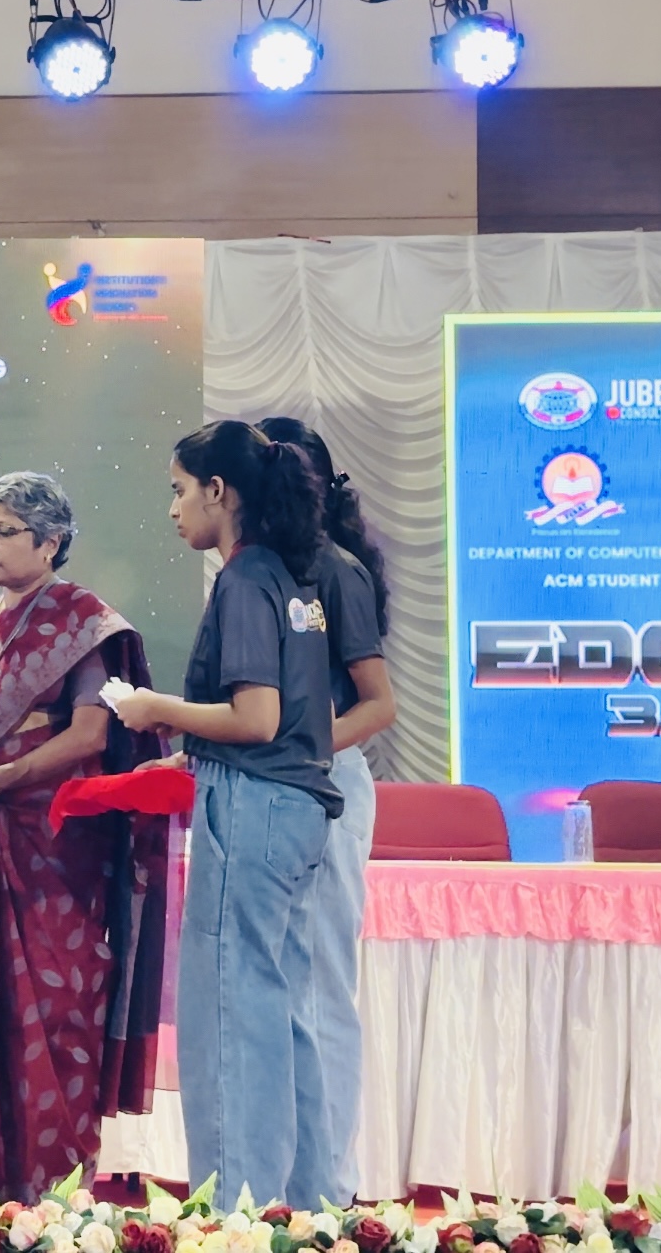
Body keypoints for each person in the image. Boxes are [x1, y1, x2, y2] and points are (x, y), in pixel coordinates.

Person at [0, 471, 171, 1204]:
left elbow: (91, 734)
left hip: (51, 851)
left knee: (56, 1015)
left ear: (51, 542)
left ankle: (50, 1201)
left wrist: (4, 778)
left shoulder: (85, 623)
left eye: (5, 532)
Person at [112, 419, 342, 1209]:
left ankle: (233, 1211)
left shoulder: (244, 580)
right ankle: (306, 1204)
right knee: (280, 1009)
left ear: (218, 491)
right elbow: (296, 717)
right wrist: (190, 755)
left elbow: (256, 717)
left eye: (180, 490)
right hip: (295, 807)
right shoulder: (291, 575)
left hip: (252, 806)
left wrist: (154, 709)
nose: (172, 508)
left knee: (228, 1010)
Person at [256, 416, 396, 1200]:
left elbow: (376, 704)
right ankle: (282, 1180)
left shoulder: (337, 572)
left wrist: (295, 749)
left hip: (325, 781)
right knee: (273, 990)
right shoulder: (254, 573)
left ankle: (328, 1189)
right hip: (267, 784)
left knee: (320, 987)